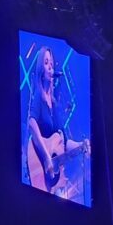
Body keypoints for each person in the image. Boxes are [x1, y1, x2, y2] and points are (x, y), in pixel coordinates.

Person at [26, 45, 90, 195]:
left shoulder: (55, 104)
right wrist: (47, 157)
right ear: (41, 70)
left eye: (51, 63)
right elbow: (31, 123)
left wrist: (81, 146)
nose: (50, 67)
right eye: (46, 63)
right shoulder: (39, 97)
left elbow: (65, 143)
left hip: (53, 181)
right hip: (39, 169)